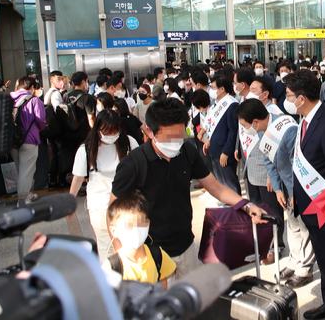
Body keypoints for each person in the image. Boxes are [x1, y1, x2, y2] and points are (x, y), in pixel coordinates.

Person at [110, 98, 266, 283]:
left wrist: (247, 205)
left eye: (180, 135)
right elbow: (113, 210)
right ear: (150, 132)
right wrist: (122, 253)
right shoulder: (133, 164)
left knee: (189, 304)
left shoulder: (187, 153)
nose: (175, 142)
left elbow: (215, 187)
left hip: (185, 246)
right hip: (151, 252)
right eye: (169, 137)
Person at [283, 69, 325, 320]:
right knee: (323, 260)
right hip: (309, 205)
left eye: (290, 95)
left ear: (302, 98)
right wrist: (295, 195)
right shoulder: (306, 119)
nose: (287, 100)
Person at [236, 100, 315, 288]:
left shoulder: (286, 129)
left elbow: (297, 164)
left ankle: (305, 269)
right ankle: (295, 261)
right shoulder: (263, 129)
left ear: (255, 121)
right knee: (292, 223)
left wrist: (296, 193)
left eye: (245, 125)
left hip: (298, 185)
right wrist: (278, 190)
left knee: (304, 227)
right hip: (285, 187)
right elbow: (268, 160)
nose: (244, 129)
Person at [70, 109, 139, 263]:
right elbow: (78, 178)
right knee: (105, 247)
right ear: (97, 129)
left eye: (115, 132)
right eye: (106, 132)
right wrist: (69, 202)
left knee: (129, 246)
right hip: (99, 207)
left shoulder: (128, 142)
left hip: (126, 205)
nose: (110, 136)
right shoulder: (86, 150)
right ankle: (110, 281)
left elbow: (140, 168)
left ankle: (127, 280)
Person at [236, 78, 284, 265]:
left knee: (273, 212)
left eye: (254, 89)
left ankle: (276, 246)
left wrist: (273, 176)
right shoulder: (249, 112)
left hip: (266, 175)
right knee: (257, 209)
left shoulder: (274, 116)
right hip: (251, 169)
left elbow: (276, 152)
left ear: (265, 94)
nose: (250, 92)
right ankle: (262, 244)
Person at [102, 192, 176, 287]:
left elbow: (162, 280)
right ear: (114, 231)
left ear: (148, 225)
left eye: (140, 224)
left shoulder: (158, 255)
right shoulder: (111, 268)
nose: (136, 229)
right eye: (129, 225)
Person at [10, 77, 46, 207]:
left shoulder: (9, 98)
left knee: (21, 170)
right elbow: (41, 120)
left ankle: (28, 194)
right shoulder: (34, 100)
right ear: (31, 87)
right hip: (29, 139)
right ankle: (22, 200)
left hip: (12, 140)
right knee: (27, 170)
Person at [203, 77, 241, 195]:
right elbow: (216, 126)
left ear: (222, 89)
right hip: (215, 149)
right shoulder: (217, 104)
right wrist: (209, 140)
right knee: (222, 181)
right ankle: (227, 205)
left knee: (230, 182)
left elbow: (233, 131)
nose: (211, 90)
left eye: (213, 88)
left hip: (224, 151)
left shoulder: (231, 104)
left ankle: (236, 208)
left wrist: (226, 152)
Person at [44, 71, 68, 189]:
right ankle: (61, 180)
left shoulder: (47, 93)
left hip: (50, 130)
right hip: (57, 130)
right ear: (51, 80)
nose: (61, 81)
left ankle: (53, 180)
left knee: (55, 155)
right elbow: (58, 110)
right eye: (58, 79)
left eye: (62, 78)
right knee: (60, 155)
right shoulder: (56, 94)